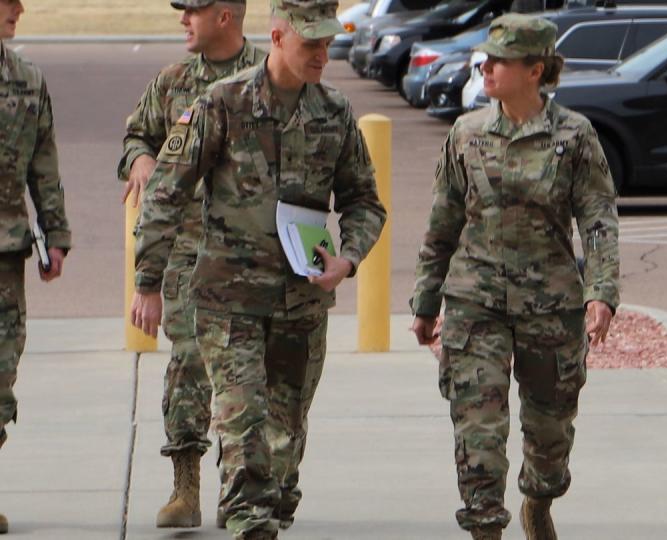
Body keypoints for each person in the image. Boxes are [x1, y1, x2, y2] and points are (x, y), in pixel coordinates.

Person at [130, 0, 386, 537]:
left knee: (283, 448)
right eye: (310, 43)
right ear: (276, 36)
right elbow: (165, 194)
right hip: (230, 303)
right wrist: (148, 282)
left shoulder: (334, 111)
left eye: (327, 44)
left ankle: (263, 503)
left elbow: (364, 201)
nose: (322, 54)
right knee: (246, 439)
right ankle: (248, 515)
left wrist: (349, 258)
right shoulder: (222, 103)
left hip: (303, 303)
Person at [410, 14, 620, 540]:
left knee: (550, 434)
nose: (487, 67)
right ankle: (485, 526)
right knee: (478, 431)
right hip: (474, 302)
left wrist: (602, 293)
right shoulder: (467, 133)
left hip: (550, 306)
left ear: (535, 69)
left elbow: (598, 220)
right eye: (486, 58)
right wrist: (425, 300)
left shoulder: (574, 136)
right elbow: (443, 221)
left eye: (500, 60)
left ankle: (539, 499)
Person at [117, 0, 265, 528]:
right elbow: (136, 134)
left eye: (192, 11)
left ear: (224, 15)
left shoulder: (268, 78)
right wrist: (141, 160)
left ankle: (241, 485)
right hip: (187, 254)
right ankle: (186, 485)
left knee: (250, 376)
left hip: (252, 257)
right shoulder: (175, 81)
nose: (183, 19)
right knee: (187, 365)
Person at [0, 0, 71, 534]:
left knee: (1, 377)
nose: (18, 9)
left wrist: (56, 235)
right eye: (7, 2)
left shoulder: (27, 80)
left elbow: (43, 162)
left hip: (6, 255)